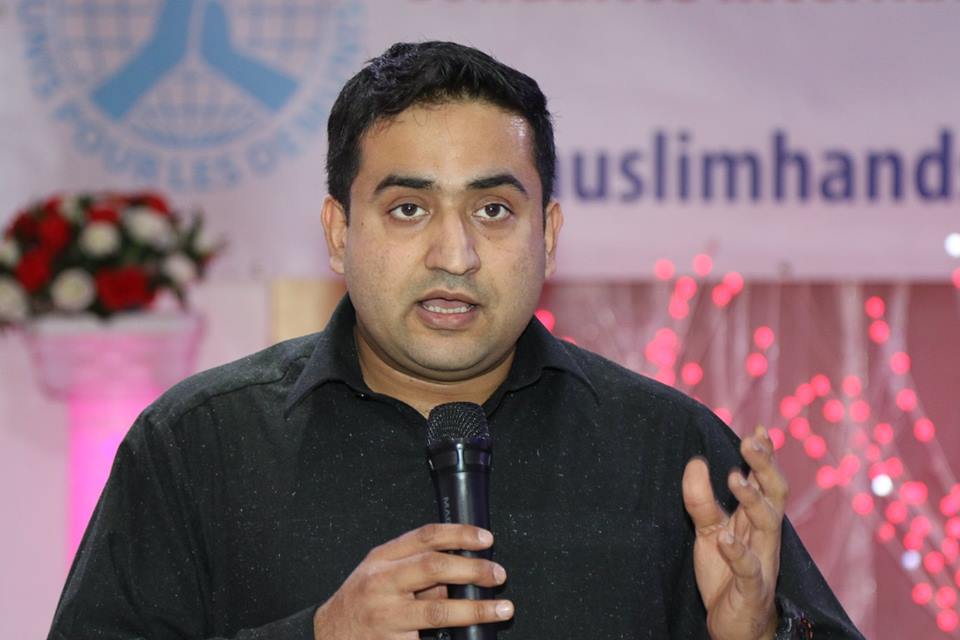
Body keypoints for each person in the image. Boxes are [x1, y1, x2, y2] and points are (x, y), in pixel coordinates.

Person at [48, 42, 864, 639]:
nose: (455, 253)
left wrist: (761, 634)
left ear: (548, 234)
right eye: (408, 209)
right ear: (339, 232)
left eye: (493, 210)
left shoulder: (670, 452)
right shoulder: (199, 445)